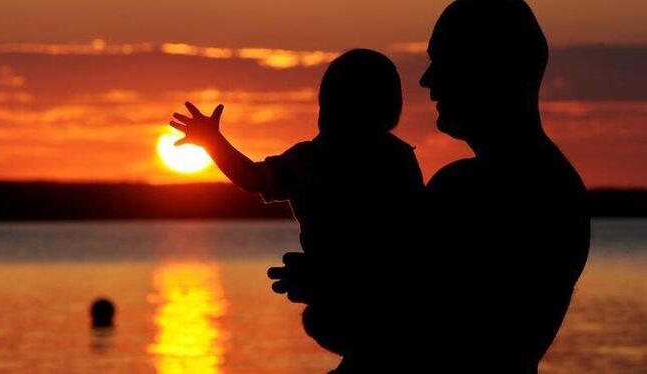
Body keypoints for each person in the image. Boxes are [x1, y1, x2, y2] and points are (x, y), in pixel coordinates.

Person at [269, 1, 590, 372]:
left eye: (443, 60)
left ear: (490, 68)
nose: (426, 80)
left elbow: (414, 328)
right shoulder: (558, 186)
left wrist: (331, 286)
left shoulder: (472, 190)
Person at [169, 49, 425, 362]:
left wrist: (213, 142)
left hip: (370, 284)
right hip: (377, 290)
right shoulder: (393, 156)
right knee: (333, 322)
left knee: (328, 321)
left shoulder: (316, 159)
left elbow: (251, 177)